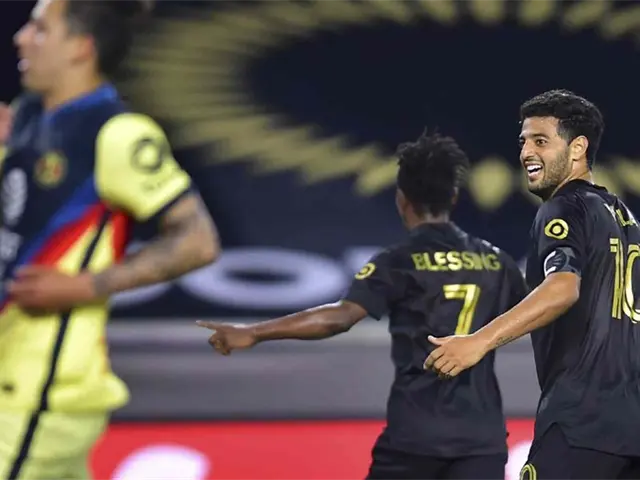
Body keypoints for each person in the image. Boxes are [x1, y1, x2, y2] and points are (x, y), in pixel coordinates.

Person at [198, 130, 527, 480]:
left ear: (402, 199)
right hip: (481, 440)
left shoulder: (398, 261)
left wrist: (255, 332)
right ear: (454, 197)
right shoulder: (497, 261)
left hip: (415, 440)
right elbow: (536, 315)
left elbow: (338, 319)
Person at [0, 0, 220, 478]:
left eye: (40, 29)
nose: (20, 38)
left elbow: (197, 240)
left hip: (40, 394)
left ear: (80, 48)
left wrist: (85, 285)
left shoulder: (118, 134)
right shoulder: (26, 116)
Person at [425, 89, 640, 479]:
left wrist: (479, 341)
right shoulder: (626, 220)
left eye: (540, 141)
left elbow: (563, 288)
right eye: (523, 141)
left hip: (582, 423)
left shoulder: (565, 207)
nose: (526, 152)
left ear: (578, 148)